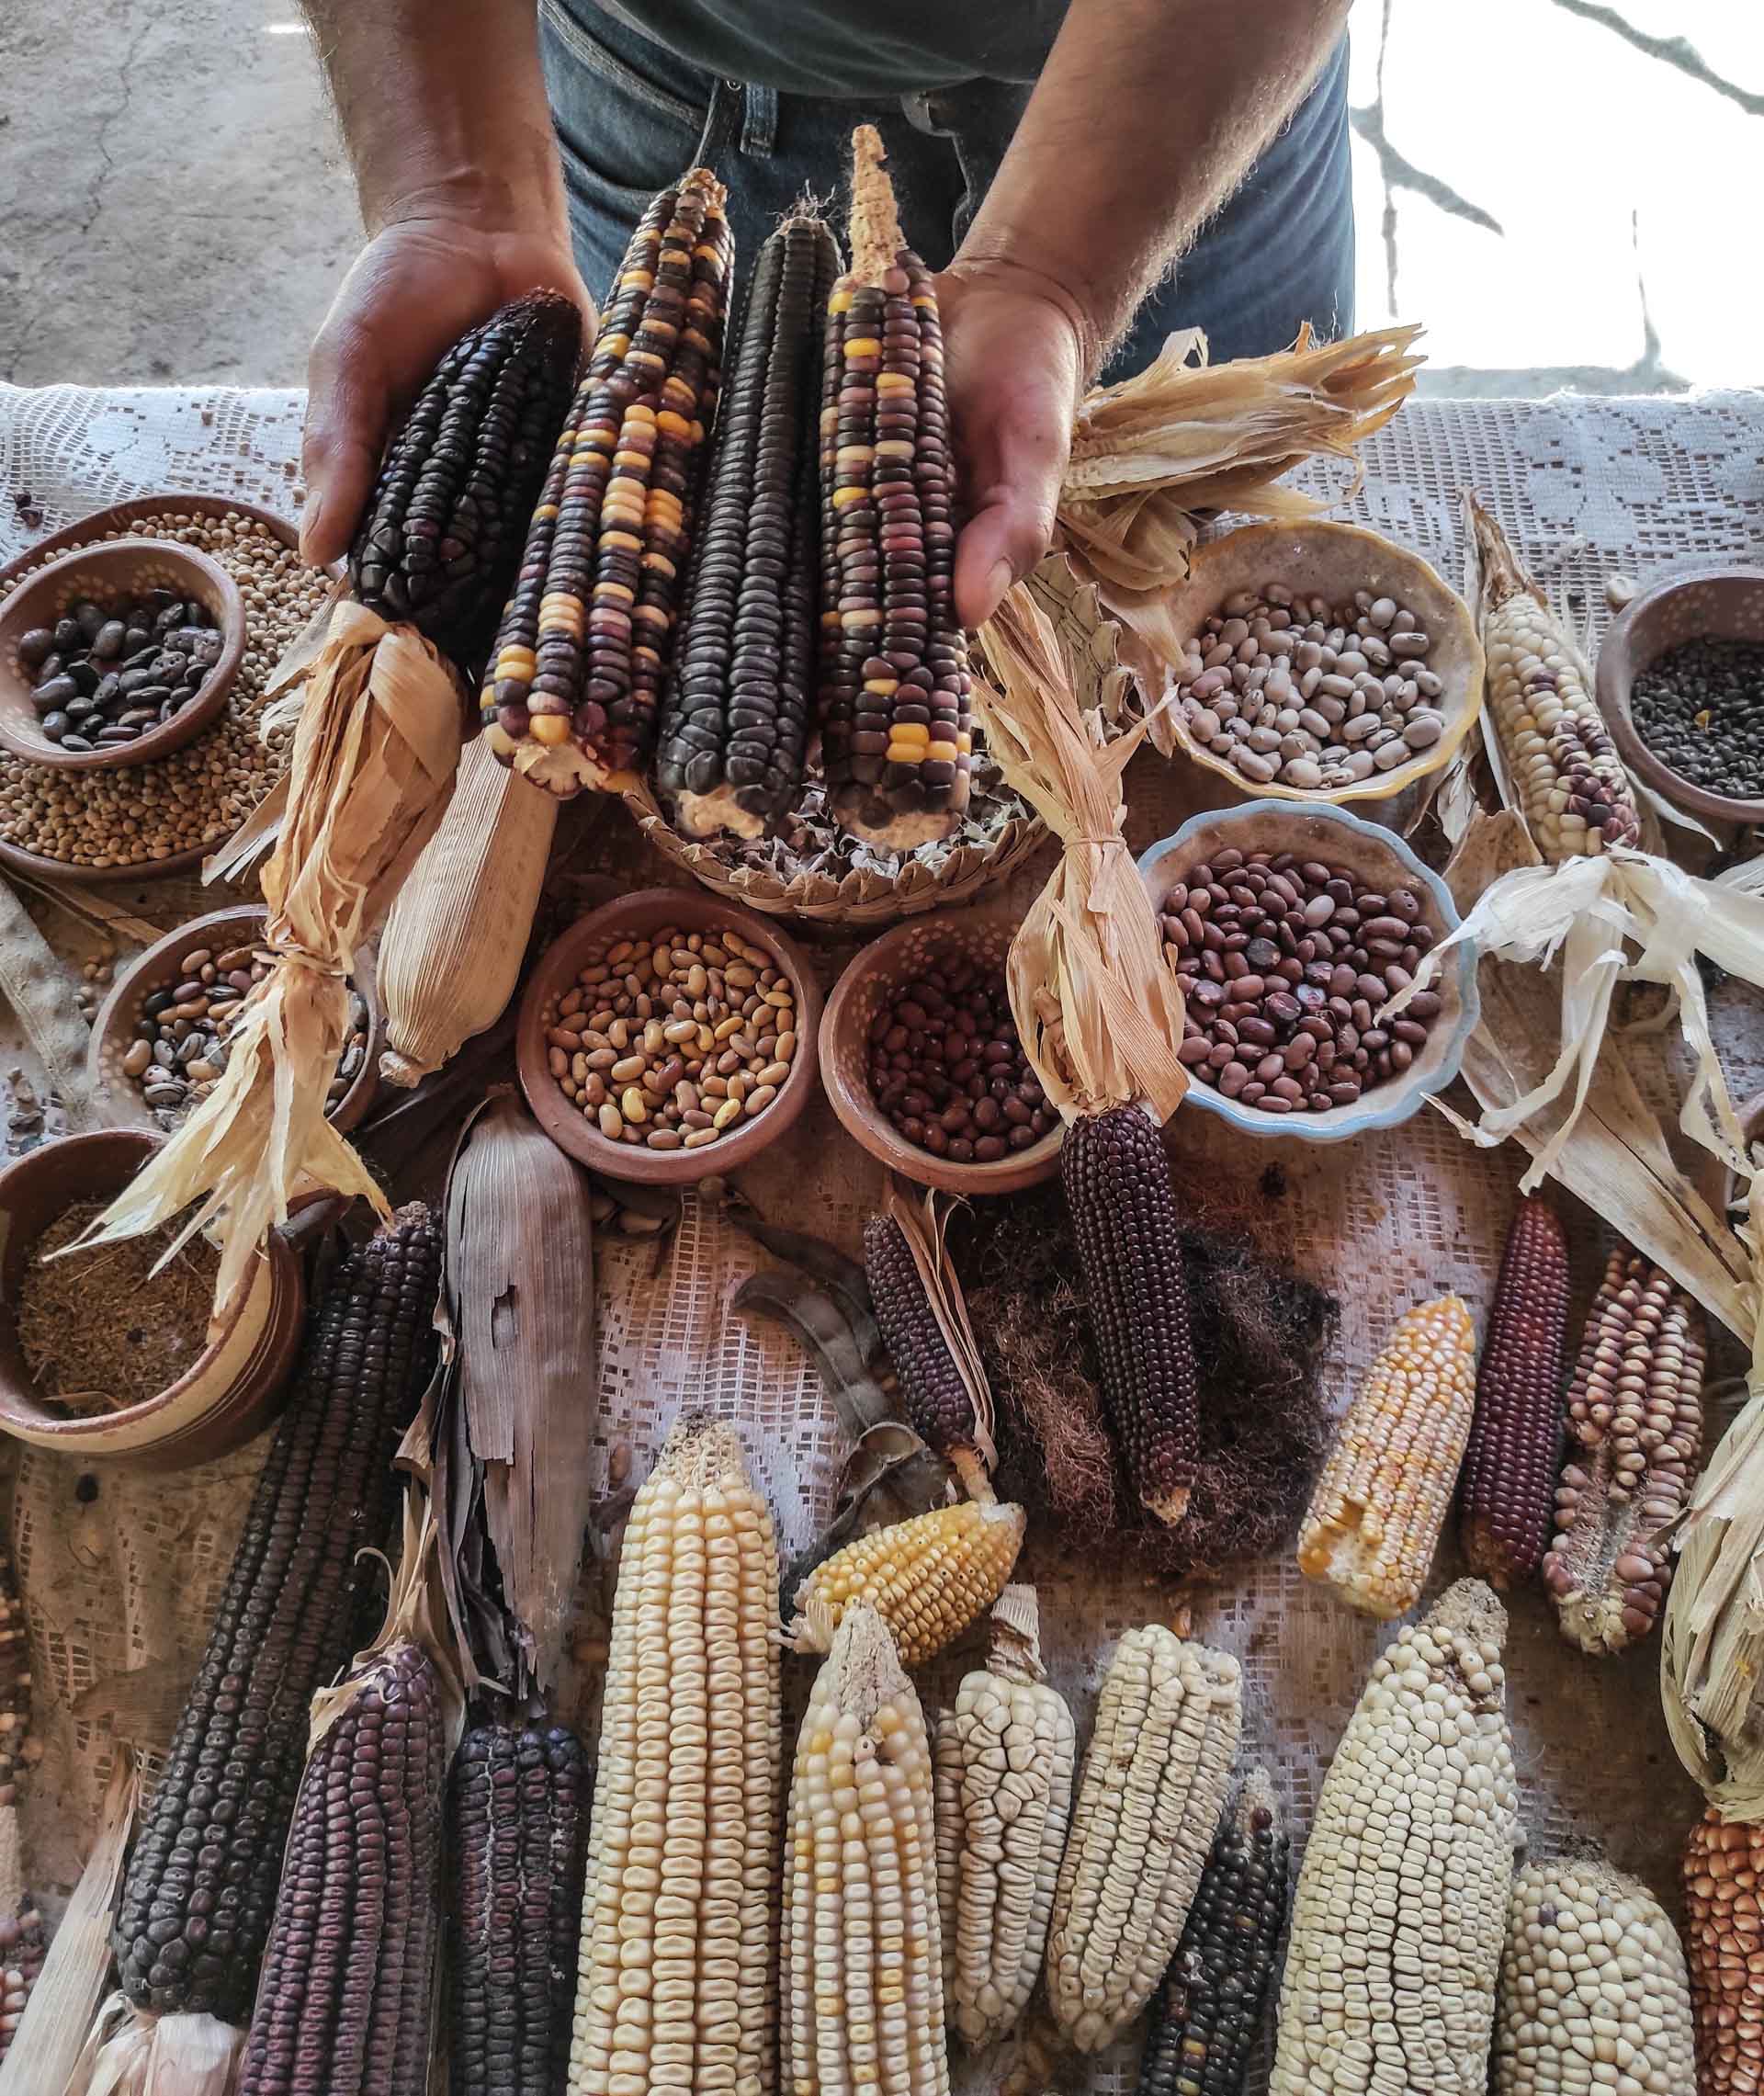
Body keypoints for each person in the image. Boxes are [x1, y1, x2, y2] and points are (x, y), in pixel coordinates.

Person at [297, 0, 1353, 629]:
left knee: (1201, 608)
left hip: (1189, 89)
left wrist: (1058, 281)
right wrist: (457, 187)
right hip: (670, 78)